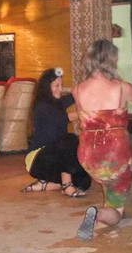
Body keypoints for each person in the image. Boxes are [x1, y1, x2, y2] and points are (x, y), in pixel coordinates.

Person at [72, 39, 132, 240]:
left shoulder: (78, 90)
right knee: (116, 210)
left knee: (106, 182)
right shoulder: (120, 87)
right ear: (111, 61)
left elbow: (85, 118)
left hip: (88, 152)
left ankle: (105, 207)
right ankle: (99, 214)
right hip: (115, 150)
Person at [22, 67, 91, 196]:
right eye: (56, 85)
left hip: (55, 155)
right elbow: (63, 119)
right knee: (70, 139)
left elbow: (79, 92)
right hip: (37, 159)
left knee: (84, 181)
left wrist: (63, 88)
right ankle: (66, 185)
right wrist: (85, 114)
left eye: (61, 85)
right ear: (46, 87)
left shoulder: (58, 102)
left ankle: (46, 184)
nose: (60, 89)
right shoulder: (42, 105)